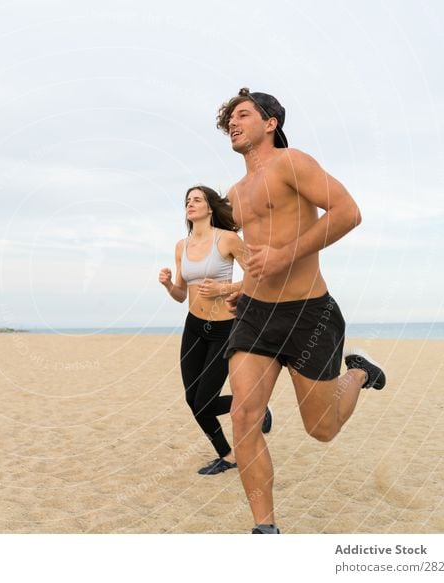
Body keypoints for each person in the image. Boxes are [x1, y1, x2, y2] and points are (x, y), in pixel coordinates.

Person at [216, 88, 387, 533]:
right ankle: (265, 530)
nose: (233, 123)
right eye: (229, 119)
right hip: (256, 315)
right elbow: (258, 254)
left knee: (322, 429)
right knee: (243, 416)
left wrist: (284, 256)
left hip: (309, 315)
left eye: (244, 114)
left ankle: (360, 373)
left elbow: (348, 212)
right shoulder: (234, 194)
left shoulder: (292, 163)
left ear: (271, 122)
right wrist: (242, 286)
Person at [159, 185, 272, 476]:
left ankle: (256, 408)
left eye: (197, 199)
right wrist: (169, 284)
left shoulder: (228, 239)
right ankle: (227, 454)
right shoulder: (181, 246)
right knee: (192, 400)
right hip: (194, 327)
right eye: (187, 201)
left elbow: (258, 277)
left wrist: (224, 288)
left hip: (224, 328)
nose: (191, 204)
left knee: (205, 401)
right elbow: (181, 295)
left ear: (210, 207)